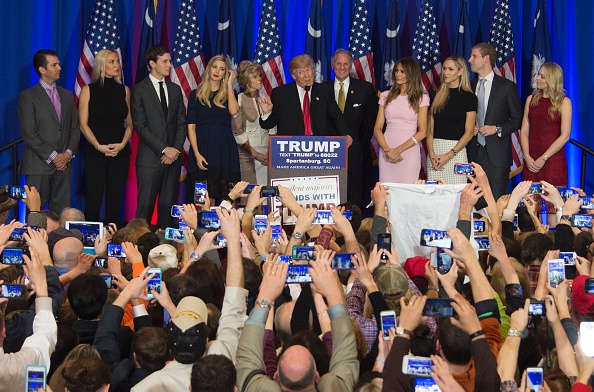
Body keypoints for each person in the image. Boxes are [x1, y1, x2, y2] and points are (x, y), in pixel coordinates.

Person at [18, 49, 80, 214]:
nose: (59, 67)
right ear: (42, 69)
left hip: (64, 167)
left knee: (62, 213)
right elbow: (30, 134)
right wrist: (54, 157)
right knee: (35, 212)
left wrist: (67, 154)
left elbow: (75, 128)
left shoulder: (67, 96)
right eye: (54, 65)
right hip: (38, 166)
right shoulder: (28, 97)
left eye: (58, 64)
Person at [131, 45, 186, 228]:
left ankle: (166, 247)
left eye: (169, 61)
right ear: (152, 63)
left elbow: (181, 122)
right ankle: (140, 247)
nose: (169, 65)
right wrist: (165, 149)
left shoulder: (175, 90)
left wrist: (175, 150)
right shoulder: (139, 90)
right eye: (165, 61)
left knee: (167, 208)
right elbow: (140, 125)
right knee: (144, 209)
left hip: (173, 160)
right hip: (150, 159)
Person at [78, 49, 133, 225]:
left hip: (120, 153)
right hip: (96, 153)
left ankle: (113, 242)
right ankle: (90, 241)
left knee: (115, 202)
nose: (117, 65)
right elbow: (83, 124)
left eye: (117, 61)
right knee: (93, 201)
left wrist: (123, 144)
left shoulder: (124, 90)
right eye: (112, 62)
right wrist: (98, 146)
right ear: (101, 66)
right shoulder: (88, 90)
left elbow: (130, 123)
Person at [467, 43, 522, 199]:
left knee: (496, 201)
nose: (470, 60)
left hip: (497, 156)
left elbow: (517, 120)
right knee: (473, 202)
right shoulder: (468, 86)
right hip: (472, 153)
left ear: (486, 59)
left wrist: (496, 128)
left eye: (474, 56)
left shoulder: (506, 86)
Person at [325, 49, 378, 207]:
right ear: (332, 65)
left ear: (351, 65)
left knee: (356, 197)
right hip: (330, 153)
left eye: (345, 63)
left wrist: (358, 144)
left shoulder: (365, 89)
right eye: (338, 63)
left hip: (358, 154)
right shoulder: (322, 89)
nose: (342, 67)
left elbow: (371, 121)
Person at [259, 54, 351, 143]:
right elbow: (268, 124)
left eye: (308, 70)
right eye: (301, 72)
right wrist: (267, 113)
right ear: (293, 76)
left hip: (319, 146)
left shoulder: (324, 92)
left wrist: (345, 133)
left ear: (313, 71)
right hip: (291, 149)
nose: (307, 75)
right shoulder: (281, 94)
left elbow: (337, 117)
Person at [186, 55, 240, 203]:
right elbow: (191, 127)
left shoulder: (231, 94)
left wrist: (229, 84)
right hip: (202, 148)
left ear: (226, 73)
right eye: (215, 67)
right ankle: (202, 226)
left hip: (224, 149)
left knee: (225, 196)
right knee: (201, 198)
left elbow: (234, 111)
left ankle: (223, 226)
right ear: (209, 69)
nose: (217, 71)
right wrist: (196, 154)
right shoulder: (195, 95)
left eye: (222, 69)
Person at [373, 57, 429, 183]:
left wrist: (398, 150)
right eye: (397, 71)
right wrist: (388, 150)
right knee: (387, 193)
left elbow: (422, 131)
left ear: (411, 73)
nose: (397, 74)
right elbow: (377, 129)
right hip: (386, 151)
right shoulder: (385, 95)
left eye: (402, 71)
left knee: (407, 191)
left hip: (408, 152)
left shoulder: (422, 98)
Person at [427, 56, 477, 184]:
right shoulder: (435, 96)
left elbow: (469, 132)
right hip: (435, 154)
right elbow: (429, 131)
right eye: (444, 68)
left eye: (450, 69)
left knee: (458, 198)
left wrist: (449, 155)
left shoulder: (469, 98)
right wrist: (432, 154)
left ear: (460, 72)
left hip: (457, 153)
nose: (445, 72)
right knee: (434, 197)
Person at [520, 62, 571, 186]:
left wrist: (544, 158)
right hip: (531, 161)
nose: (537, 78)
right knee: (531, 202)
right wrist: (527, 157)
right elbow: (524, 131)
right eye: (538, 75)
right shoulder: (530, 99)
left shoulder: (564, 102)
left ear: (552, 80)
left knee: (552, 202)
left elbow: (565, 136)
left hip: (552, 161)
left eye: (542, 77)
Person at [233, 60, 275, 186]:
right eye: (255, 77)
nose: (259, 79)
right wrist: (256, 154)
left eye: (259, 76)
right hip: (248, 154)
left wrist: (270, 152)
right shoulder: (239, 100)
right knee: (251, 194)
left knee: (267, 195)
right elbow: (237, 131)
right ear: (246, 80)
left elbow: (272, 126)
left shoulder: (265, 98)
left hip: (267, 154)